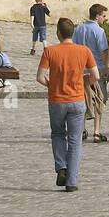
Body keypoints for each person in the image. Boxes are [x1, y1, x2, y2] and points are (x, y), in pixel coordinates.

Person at [37, 17, 98, 191]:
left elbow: (40, 77)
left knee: (57, 134)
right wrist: (85, 82)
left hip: (56, 100)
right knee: (75, 140)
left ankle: (61, 167)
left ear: (58, 33)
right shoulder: (84, 51)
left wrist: (51, 84)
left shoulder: (50, 51)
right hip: (77, 100)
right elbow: (96, 76)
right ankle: (71, 181)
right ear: (73, 33)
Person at [73, 4, 109, 142]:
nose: (105, 19)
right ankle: (97, 132)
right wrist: (107, 68)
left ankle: (81, 130)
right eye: (104, 16)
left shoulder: (79, 29)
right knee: (99, 99)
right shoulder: (99, 31)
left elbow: (74, 48)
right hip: (96, 68)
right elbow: (103, 51)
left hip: (81, 68)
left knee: (82, 98)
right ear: (97, 16)